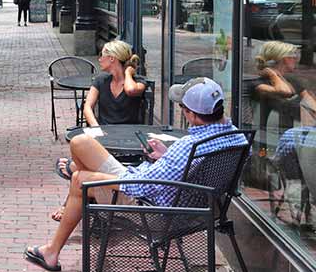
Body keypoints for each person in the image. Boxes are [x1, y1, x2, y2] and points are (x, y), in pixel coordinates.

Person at [24, 78, 247, 271]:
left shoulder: (190, 145)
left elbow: (145, 186)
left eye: (182, 108)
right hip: (188, 201)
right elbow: (192, 171)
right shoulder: (239, 138)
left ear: (193, 115)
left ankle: (52, 252)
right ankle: (79, 189)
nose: (182, 111)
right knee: (81, 142)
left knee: (79, 180)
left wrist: (101, 178)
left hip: (152, 207)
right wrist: (166, 156)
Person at [52, 40, 147, 221]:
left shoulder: (138, 82)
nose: (99, 58)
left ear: (112, 59)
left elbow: (131, 90)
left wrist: (127, 72)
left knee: (81, 167)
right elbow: (88, 106)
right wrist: (96, 127)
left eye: (103, 55)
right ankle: (74, 174)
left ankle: (72, 172)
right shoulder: (101, 80)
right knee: (86, 154)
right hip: (104, 139)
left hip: (128, 145)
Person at [254, 41, 316, 130]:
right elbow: (284, 91)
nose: (297, 59)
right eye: (294, 56)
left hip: (290, 133)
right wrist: (273, 74)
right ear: (284, 58)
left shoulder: (292, 81)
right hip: (268, 134)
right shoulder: (262, 82)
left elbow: (311, 105)